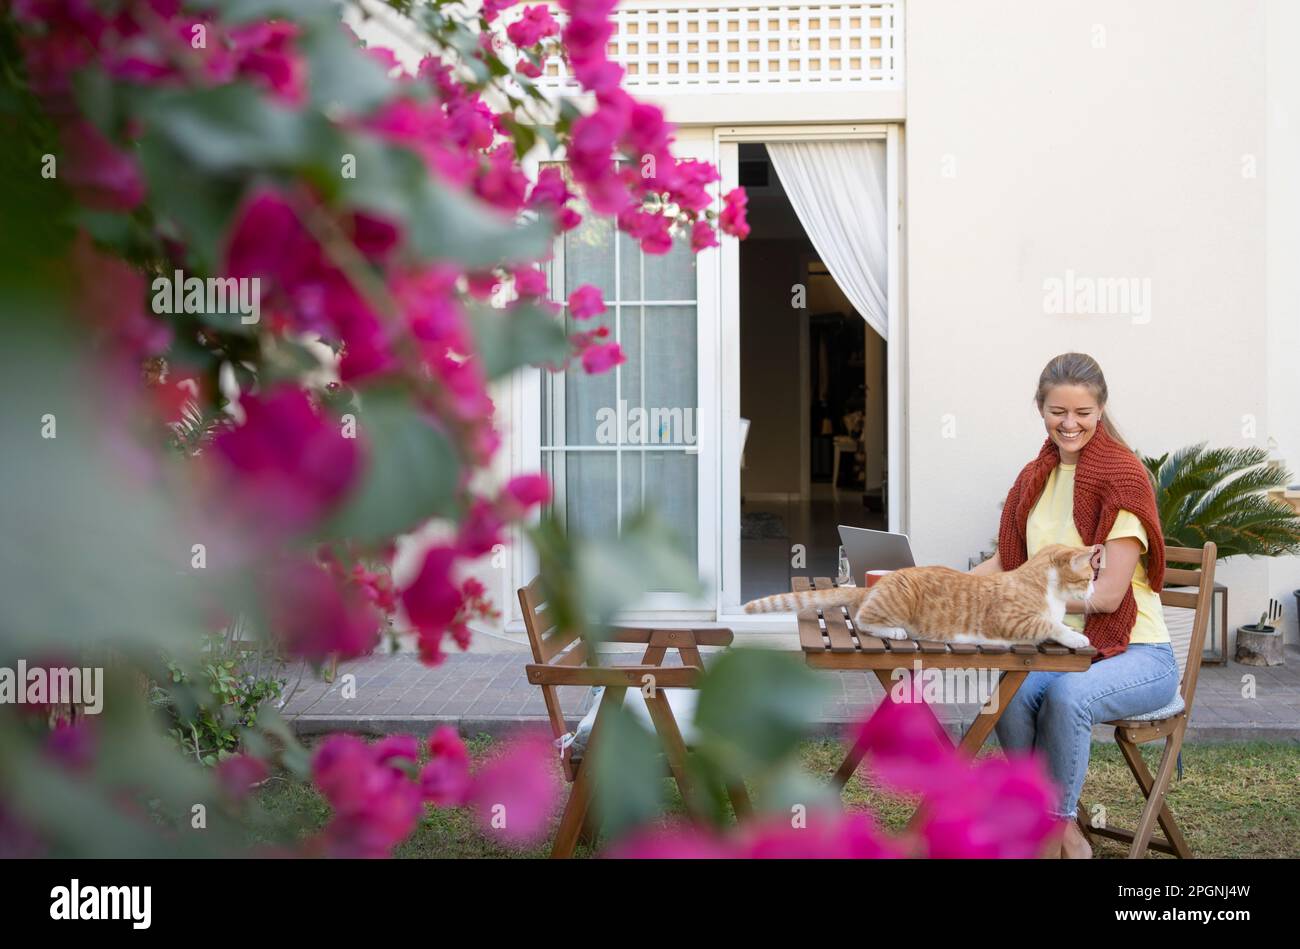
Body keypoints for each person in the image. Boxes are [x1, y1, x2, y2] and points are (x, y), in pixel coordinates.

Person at [970, 352, 1178, 858]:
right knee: (1008, 694)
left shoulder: (1123, 479)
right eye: (1057, 411)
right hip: (1067, 649)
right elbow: (1008, 563)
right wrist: (932, 588)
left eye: (1082, 412)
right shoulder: (1035, 478)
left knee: (1069, 698)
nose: (1070, 424)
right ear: (1040, 409)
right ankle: (1056, 828)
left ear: (1100, 410)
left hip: (1139, 652)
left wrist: (1033, 604)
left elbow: (1107, 596)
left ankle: (1053, 830)